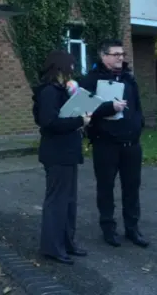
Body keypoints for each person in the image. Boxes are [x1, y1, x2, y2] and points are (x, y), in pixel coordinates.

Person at [80, 39, 150, 248]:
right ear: (104, 56)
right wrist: (109, 107)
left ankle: (132, 229)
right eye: (116, 54)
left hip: (131, 144)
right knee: (106, 188)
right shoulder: (90, 81)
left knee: (132, 188)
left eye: (122, 54)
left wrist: (139, 124)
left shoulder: (129, 79)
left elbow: (136, 106)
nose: (121, 57)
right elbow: (83, 110)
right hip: (106, 144)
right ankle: (108, 229)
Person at [32, 49, 91, 265]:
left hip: (67, 152)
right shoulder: (49, 92)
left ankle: (67, 242)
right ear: (61, 67)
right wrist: (79, 121)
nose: (73, 70)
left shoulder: (61, 90)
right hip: (57, 153)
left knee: (69, 201)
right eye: (71, 65)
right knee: (57, 202)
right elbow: (50, 122)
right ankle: (52, 247)